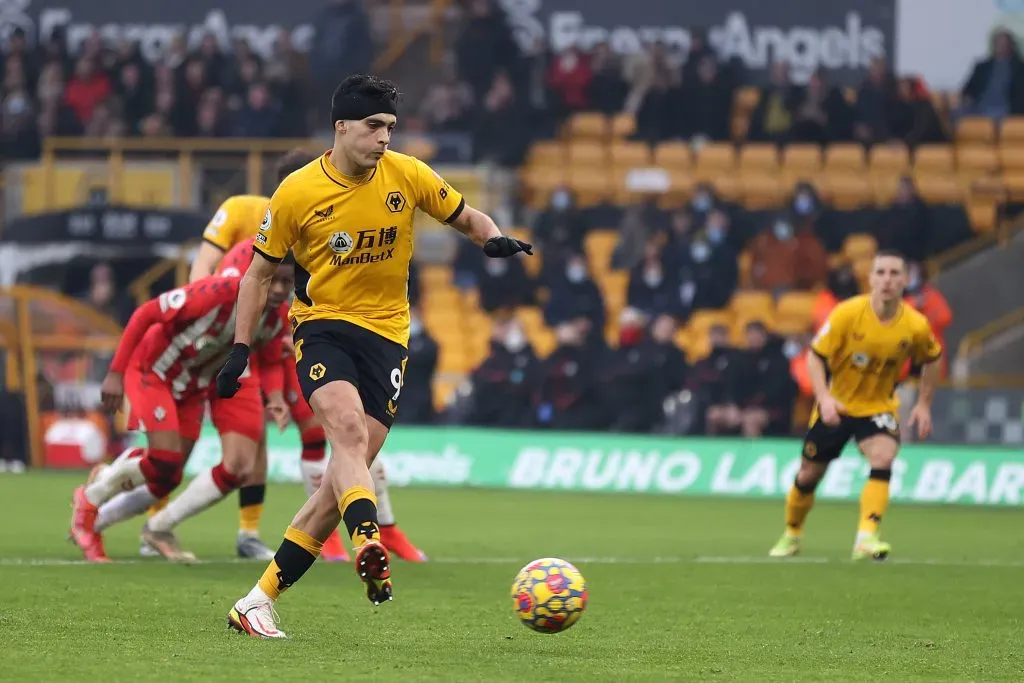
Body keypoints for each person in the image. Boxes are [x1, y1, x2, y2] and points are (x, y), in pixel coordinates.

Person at [216, 74, 532, 639]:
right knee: (347, 435)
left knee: (340, 481)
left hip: (387, 338)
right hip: (323, 328)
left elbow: (465, 216)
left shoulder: (406, 175)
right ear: (342, 127)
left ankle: (256, 602)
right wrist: (241, 348)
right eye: (373, 127)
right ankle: (369, 540)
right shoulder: (296, 192)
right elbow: (259, 274)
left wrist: (493, 238)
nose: (384, 138)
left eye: (389, 127)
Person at [217, 237, 428, 562]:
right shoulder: (278, 219)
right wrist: (273, 392)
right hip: (309, 346)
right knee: (320, 435)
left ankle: (386, 528)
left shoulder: (347, 224)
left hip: (353, 339)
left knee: (360, 440)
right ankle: (327, 534)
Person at [67, 262, 295, 562]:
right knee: (166, 459)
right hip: (154, 370)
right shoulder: (217, 292)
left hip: (194, 386)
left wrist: (276, 397)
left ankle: (106, 491)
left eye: (286, 283)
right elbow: (146, 313)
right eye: (272, 281)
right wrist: (115, 373)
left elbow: (268, 356)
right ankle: (90, 498)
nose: (278, 290)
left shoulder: (277, 316)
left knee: (168, 476)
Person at [768, 250, 942, 561]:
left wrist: (925, 404)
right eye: (881, 273)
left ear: (905, 280)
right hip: (838, 405)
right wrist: (824, 399)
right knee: (808, 475)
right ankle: (792, 533)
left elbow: (932, 358)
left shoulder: (915, 325)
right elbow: (815, 356)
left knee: (884, 456)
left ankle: (866, 536)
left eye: (894, 274)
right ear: (870, 278)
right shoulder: (847, 313)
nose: (887, 280)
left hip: (878, 407)